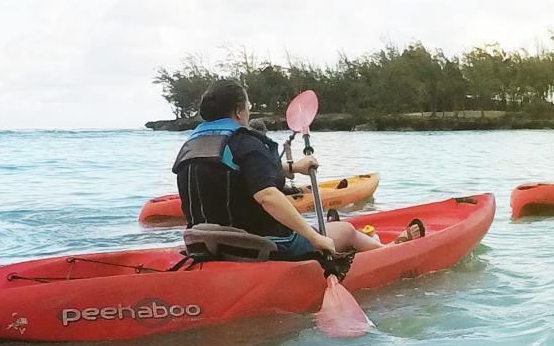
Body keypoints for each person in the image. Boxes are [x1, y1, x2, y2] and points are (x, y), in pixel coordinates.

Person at [173, 80, 418, 262]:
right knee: (345, 231)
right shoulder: (243, 141)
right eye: (248, 106)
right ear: (239, 111)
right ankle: (391, 253)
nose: (248, 112)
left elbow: (236, 171)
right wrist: (316, 239)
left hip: (206, 243)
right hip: (258, 245)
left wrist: (295, 167)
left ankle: (377, 247)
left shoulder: (193, 145)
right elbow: (267, 196)